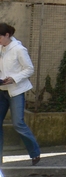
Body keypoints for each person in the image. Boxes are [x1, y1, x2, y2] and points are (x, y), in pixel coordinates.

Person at [0, 23, 40, 165]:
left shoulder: (19, 49)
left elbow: (29, 69)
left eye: (0, 37)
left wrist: (14, 78)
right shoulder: (0, 49)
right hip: (2, 90)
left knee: (18, 123)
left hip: (16, 90)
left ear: (7, 35)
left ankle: (35, 153)